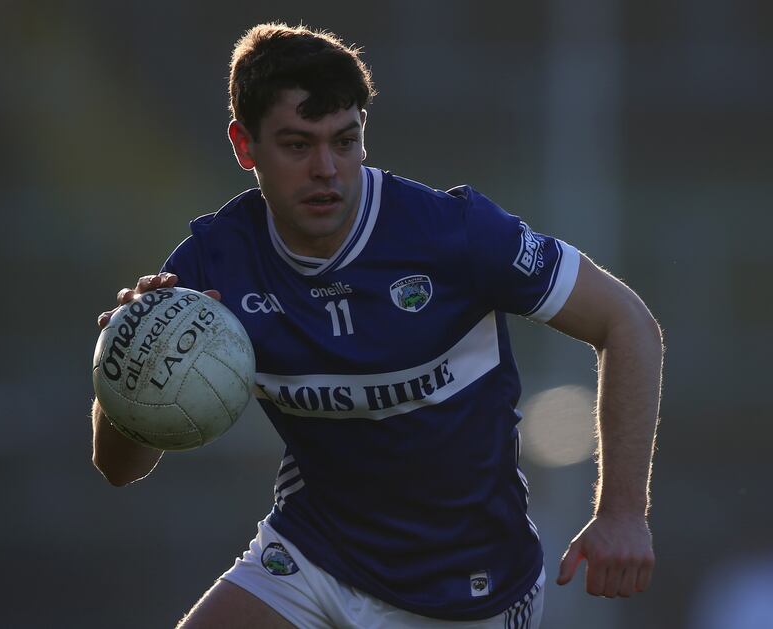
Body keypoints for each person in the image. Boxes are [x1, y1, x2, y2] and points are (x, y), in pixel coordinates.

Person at [92, 23, 663, 629]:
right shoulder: (212, 264)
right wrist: (135, 362)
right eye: (296, 144)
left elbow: (628, 323)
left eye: (344, 141)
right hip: (312, 558)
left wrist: (623, 510)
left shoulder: (454, 233)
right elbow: (119, 466)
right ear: (244, 145)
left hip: (468, 589)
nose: (327, 169)